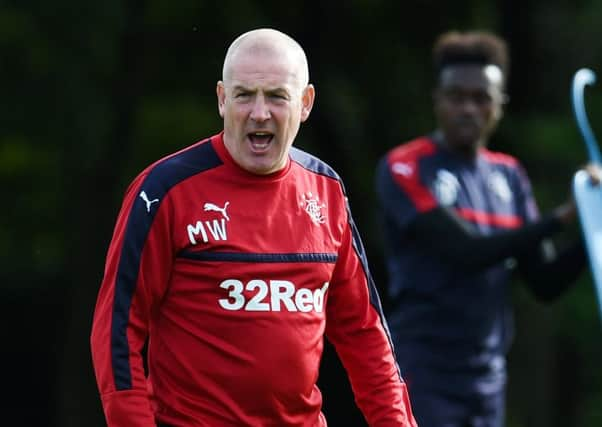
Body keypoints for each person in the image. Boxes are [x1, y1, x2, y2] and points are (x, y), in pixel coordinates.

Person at [91, 28, 417, 427]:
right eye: (244, 94)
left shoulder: (326, 188)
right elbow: (116, 332)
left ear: (306, 103)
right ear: (222, 99)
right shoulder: (163, 191)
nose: (259, 113)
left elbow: (364, 332)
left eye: (277, 96)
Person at [375, 30, 599, 427]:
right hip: (421, 372)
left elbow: (545, 282)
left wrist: (592, 224)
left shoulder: (509, 175)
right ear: (437, 100)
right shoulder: (405, 166)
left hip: (488, 380)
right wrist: (561, 216)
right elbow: (466, 251)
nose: (468, 109)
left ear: (499, 106)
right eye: (457, 97)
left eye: (481, 99)